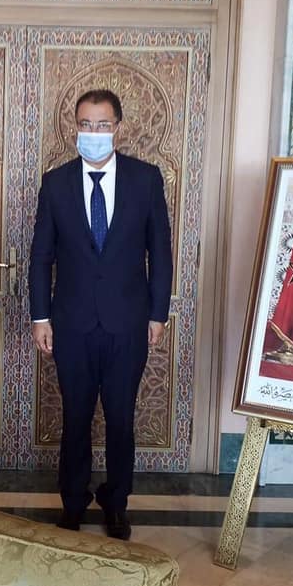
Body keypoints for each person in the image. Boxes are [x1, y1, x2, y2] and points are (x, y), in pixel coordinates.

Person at [29, 89, 173, 540]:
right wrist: (40, 316)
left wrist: (158, 314)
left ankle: (116, 502)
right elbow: (41, 257)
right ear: (75, 128)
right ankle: (72, 502)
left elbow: (160, 253)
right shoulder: (55, 183)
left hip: (127, 324)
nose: (93, 132)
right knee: (74, 418)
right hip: (71, 324)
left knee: (120, 419)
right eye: (85, 124)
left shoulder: (145, 180)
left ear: (118, 129)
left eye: (102, 125)